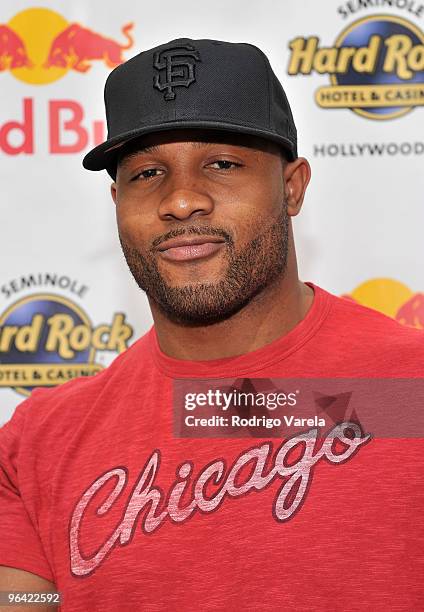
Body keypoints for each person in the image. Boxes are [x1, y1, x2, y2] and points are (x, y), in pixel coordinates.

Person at [0, 37, 423, 612]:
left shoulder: (408, 390)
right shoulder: (38, 442)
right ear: (115, 200)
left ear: (292, 186)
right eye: (147, 173)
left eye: (222, 165)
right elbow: (24, 603)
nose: (181, 202)